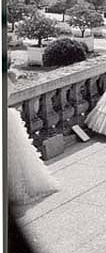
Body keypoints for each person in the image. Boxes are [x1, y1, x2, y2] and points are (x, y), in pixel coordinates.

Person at [7, 71, 59, 204]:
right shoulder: (11, 74)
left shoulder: (11, 74)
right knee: (16, 155)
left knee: (14, 154)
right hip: (7, 116)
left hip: (7, 118)